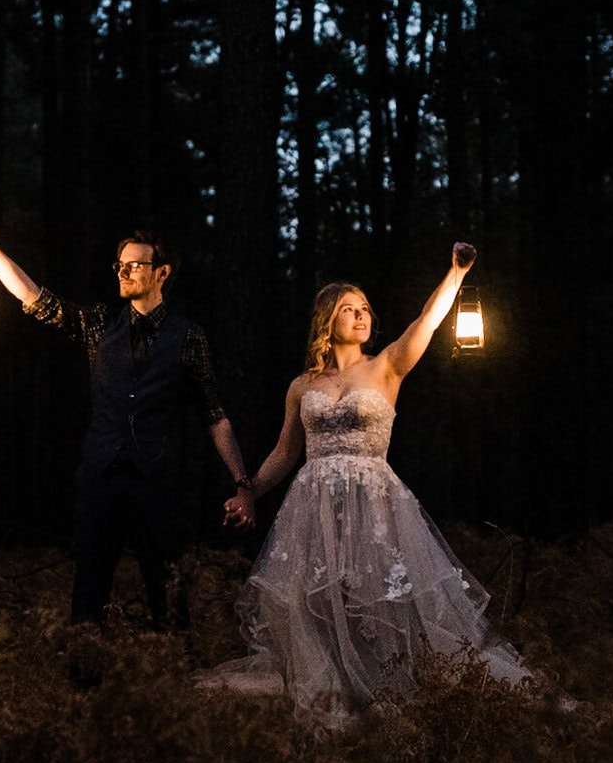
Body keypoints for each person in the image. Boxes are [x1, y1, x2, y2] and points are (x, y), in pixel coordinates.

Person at [201, 242, 550, 727]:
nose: (361, 315)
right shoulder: (303, 385)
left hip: (375, 502)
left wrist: (456, 274)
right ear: (328, 320)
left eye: (365, 308)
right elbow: (285, 452)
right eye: (349, 309)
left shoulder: (387, 364)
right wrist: (247, 491)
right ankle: (332, 695)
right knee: (320, 601)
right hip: (315, 505)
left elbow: (426, 322)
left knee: (378, 596)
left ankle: (394, 691)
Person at [0, 208, 256, 629]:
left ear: (162, 272)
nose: (123, 272)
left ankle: (174, 680)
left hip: (157, 479)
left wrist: (242, 482)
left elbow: (214, 415)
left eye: (134, 265)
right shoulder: (98, 324)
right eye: (120, 265)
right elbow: (34, 297)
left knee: (166, 590)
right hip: (100, 473)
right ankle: (84, 681)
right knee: (89, 589)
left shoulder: (187, 336)